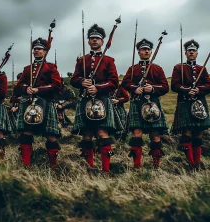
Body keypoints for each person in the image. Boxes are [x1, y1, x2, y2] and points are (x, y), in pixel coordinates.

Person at [70, 24, 120, 172]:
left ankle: (106, 170)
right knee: (86, 134)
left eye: (97, 39)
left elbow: (114, 82)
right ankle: (89, 168)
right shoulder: (82, 60)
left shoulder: (109, 60)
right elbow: (74, 79)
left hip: (102, 100)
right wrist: (81, 82)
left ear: (102, 42)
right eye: (91, 38)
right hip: (85, 99)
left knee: (102, 133)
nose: (94, 41)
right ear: (88, 41)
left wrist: (98, 87)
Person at [14, 38, 61, 167]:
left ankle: (53, 166)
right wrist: (26, 88)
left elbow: (57, 85)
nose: (36, 51)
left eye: (39, 49)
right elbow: (18, 86)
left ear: (45, 51)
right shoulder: (27, 68)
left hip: (45, 102)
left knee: (51, 135)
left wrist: (38, 89)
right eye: (34, 49)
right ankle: (26, 165)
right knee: (26, 133)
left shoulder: (51, 67)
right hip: (28, 103)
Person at [122, 39, 169, 168]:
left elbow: (165, 87)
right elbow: (125, 82)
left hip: (153, 104)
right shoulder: (132, 69)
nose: (146, 51)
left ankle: (156, 165)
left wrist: (153, 89)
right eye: (143, 49)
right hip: (137, 103)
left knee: (155, 135)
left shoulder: (157, 69)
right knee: (137, 134)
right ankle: (137, 166)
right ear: (139, 52)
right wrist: (134, 88)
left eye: (148, 49)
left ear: (151, 51)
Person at [171, 40, 210, 169]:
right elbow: (174, 85)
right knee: (187, 133)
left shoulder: (202, 69)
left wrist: (199, 90)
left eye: (193, 51)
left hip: (199, 103)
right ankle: (190, 163)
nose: (191, 52)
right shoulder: (178, 68)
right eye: (189, 51)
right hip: (185, 102)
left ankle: (197, 163)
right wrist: (186, 90)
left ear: (196, 53)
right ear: (185, 53)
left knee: (198, 133)